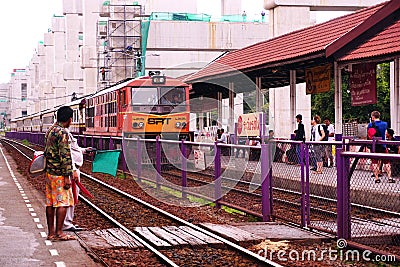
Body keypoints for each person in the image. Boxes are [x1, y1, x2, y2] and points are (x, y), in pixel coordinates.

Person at [44, 106, 76, 241]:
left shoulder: (50, 130)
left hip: (49, 172)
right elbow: (65, 155)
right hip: (59, 174)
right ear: (69, 119)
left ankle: (51, 233)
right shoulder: (62, 132)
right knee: (62, 202)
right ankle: (59, 232)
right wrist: (67, 176)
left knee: (50, 203)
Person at [63, 129, 92, 232]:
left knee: (71, 196)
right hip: (72, 169)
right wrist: (74, 169)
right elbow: (66, 153)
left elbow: (73, 149)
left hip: (73, 168)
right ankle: (66, 224)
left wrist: (84, 150)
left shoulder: (66, 132)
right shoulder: (64, 133)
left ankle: (66, 222)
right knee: (71, 196)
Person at [367, 111, 388, 183]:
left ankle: (376, 178)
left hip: (374, 146)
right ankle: (390, 177)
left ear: (373, 117)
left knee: (375, 162)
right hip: (383, 145)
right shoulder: (385, 124)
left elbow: (369, 134)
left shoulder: (370, 125)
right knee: (387, 162)